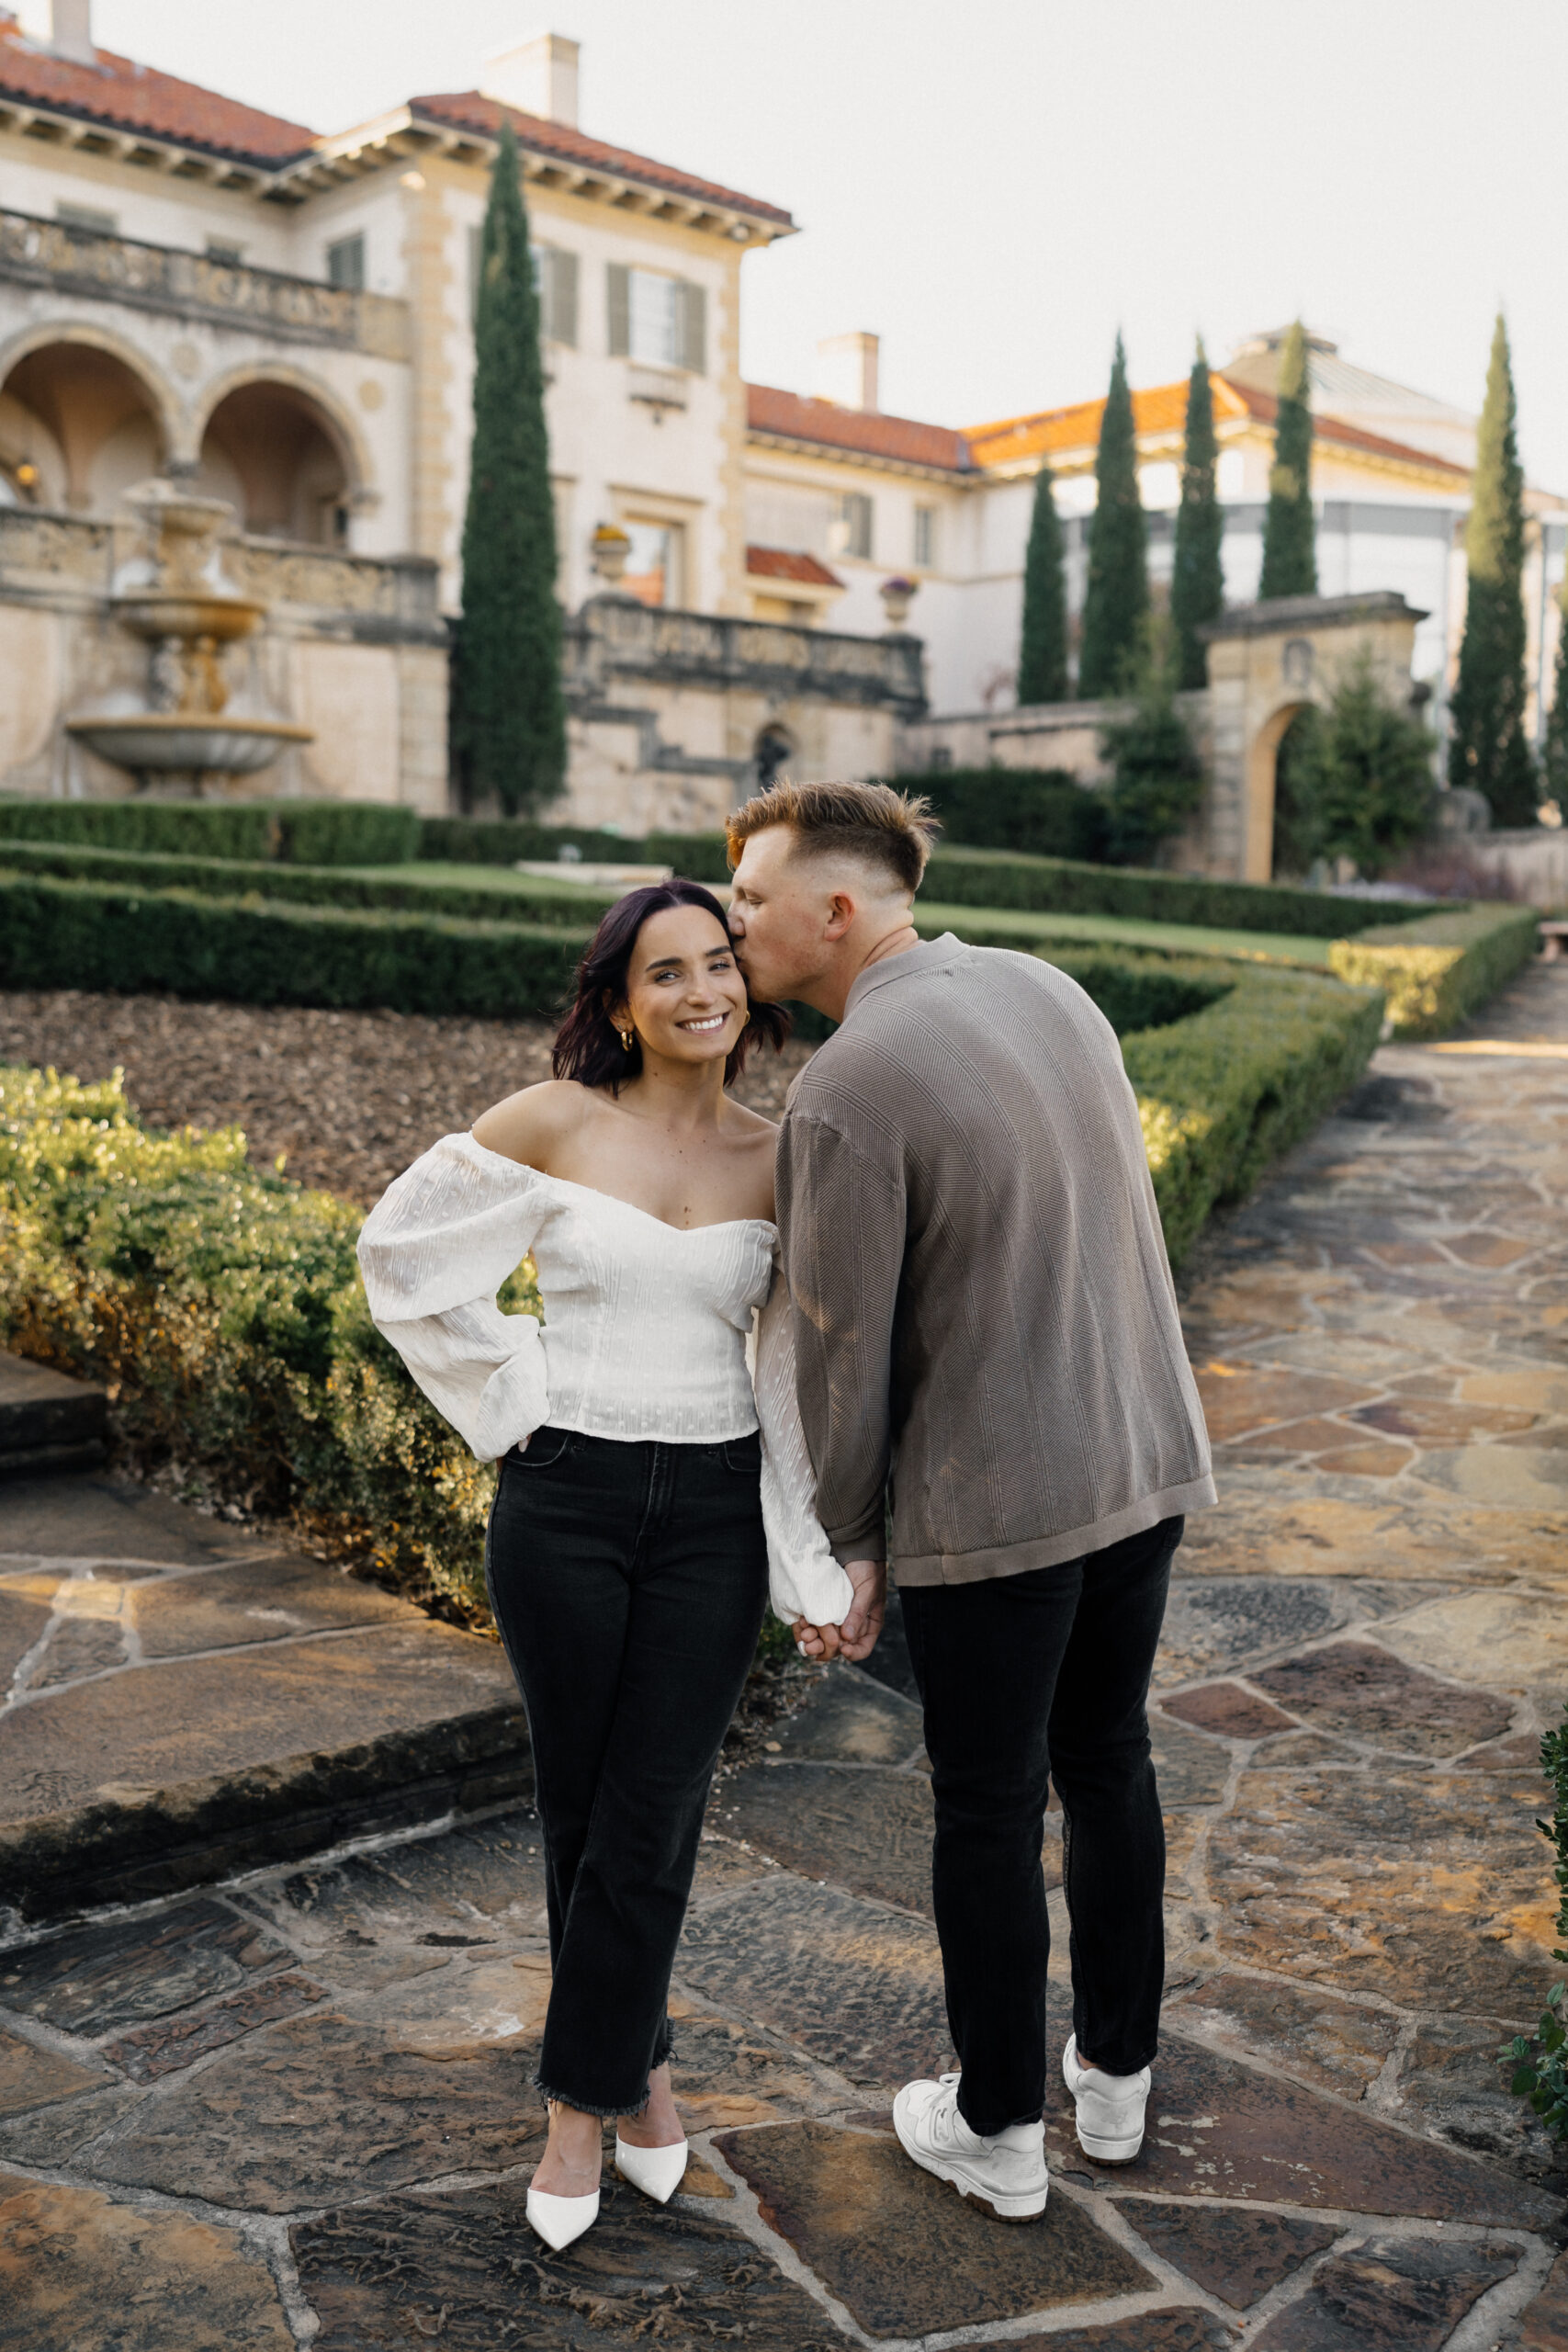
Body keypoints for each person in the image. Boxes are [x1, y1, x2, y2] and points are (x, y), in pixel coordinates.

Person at [727, 780, 1215, 2223]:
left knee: (989, 1810)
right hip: (1139, 1457)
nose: (733, 920)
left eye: (751, 896)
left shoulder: (845, 1087)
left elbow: (842, 1350)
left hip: (997, 1510)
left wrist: (850, 1543)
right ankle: (1114, 2080)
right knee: (1108, 1760)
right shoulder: (1048, 988)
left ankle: (996, 2127)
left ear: (836, 909)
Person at [357, 880, 852, 2253]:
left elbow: (789, 1371)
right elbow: (400, 1258)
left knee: (653, 1806)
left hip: (712, 1512)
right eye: (666, 971)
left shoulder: (782, 1156)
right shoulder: (554, 1122)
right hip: (564, 1501)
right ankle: (642, 2075)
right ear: (622, 1003)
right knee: (584, 1806)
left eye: (720, 963)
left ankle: (580, 2108)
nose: (703, 991)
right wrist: (518, 1392)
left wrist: (809, 1557)